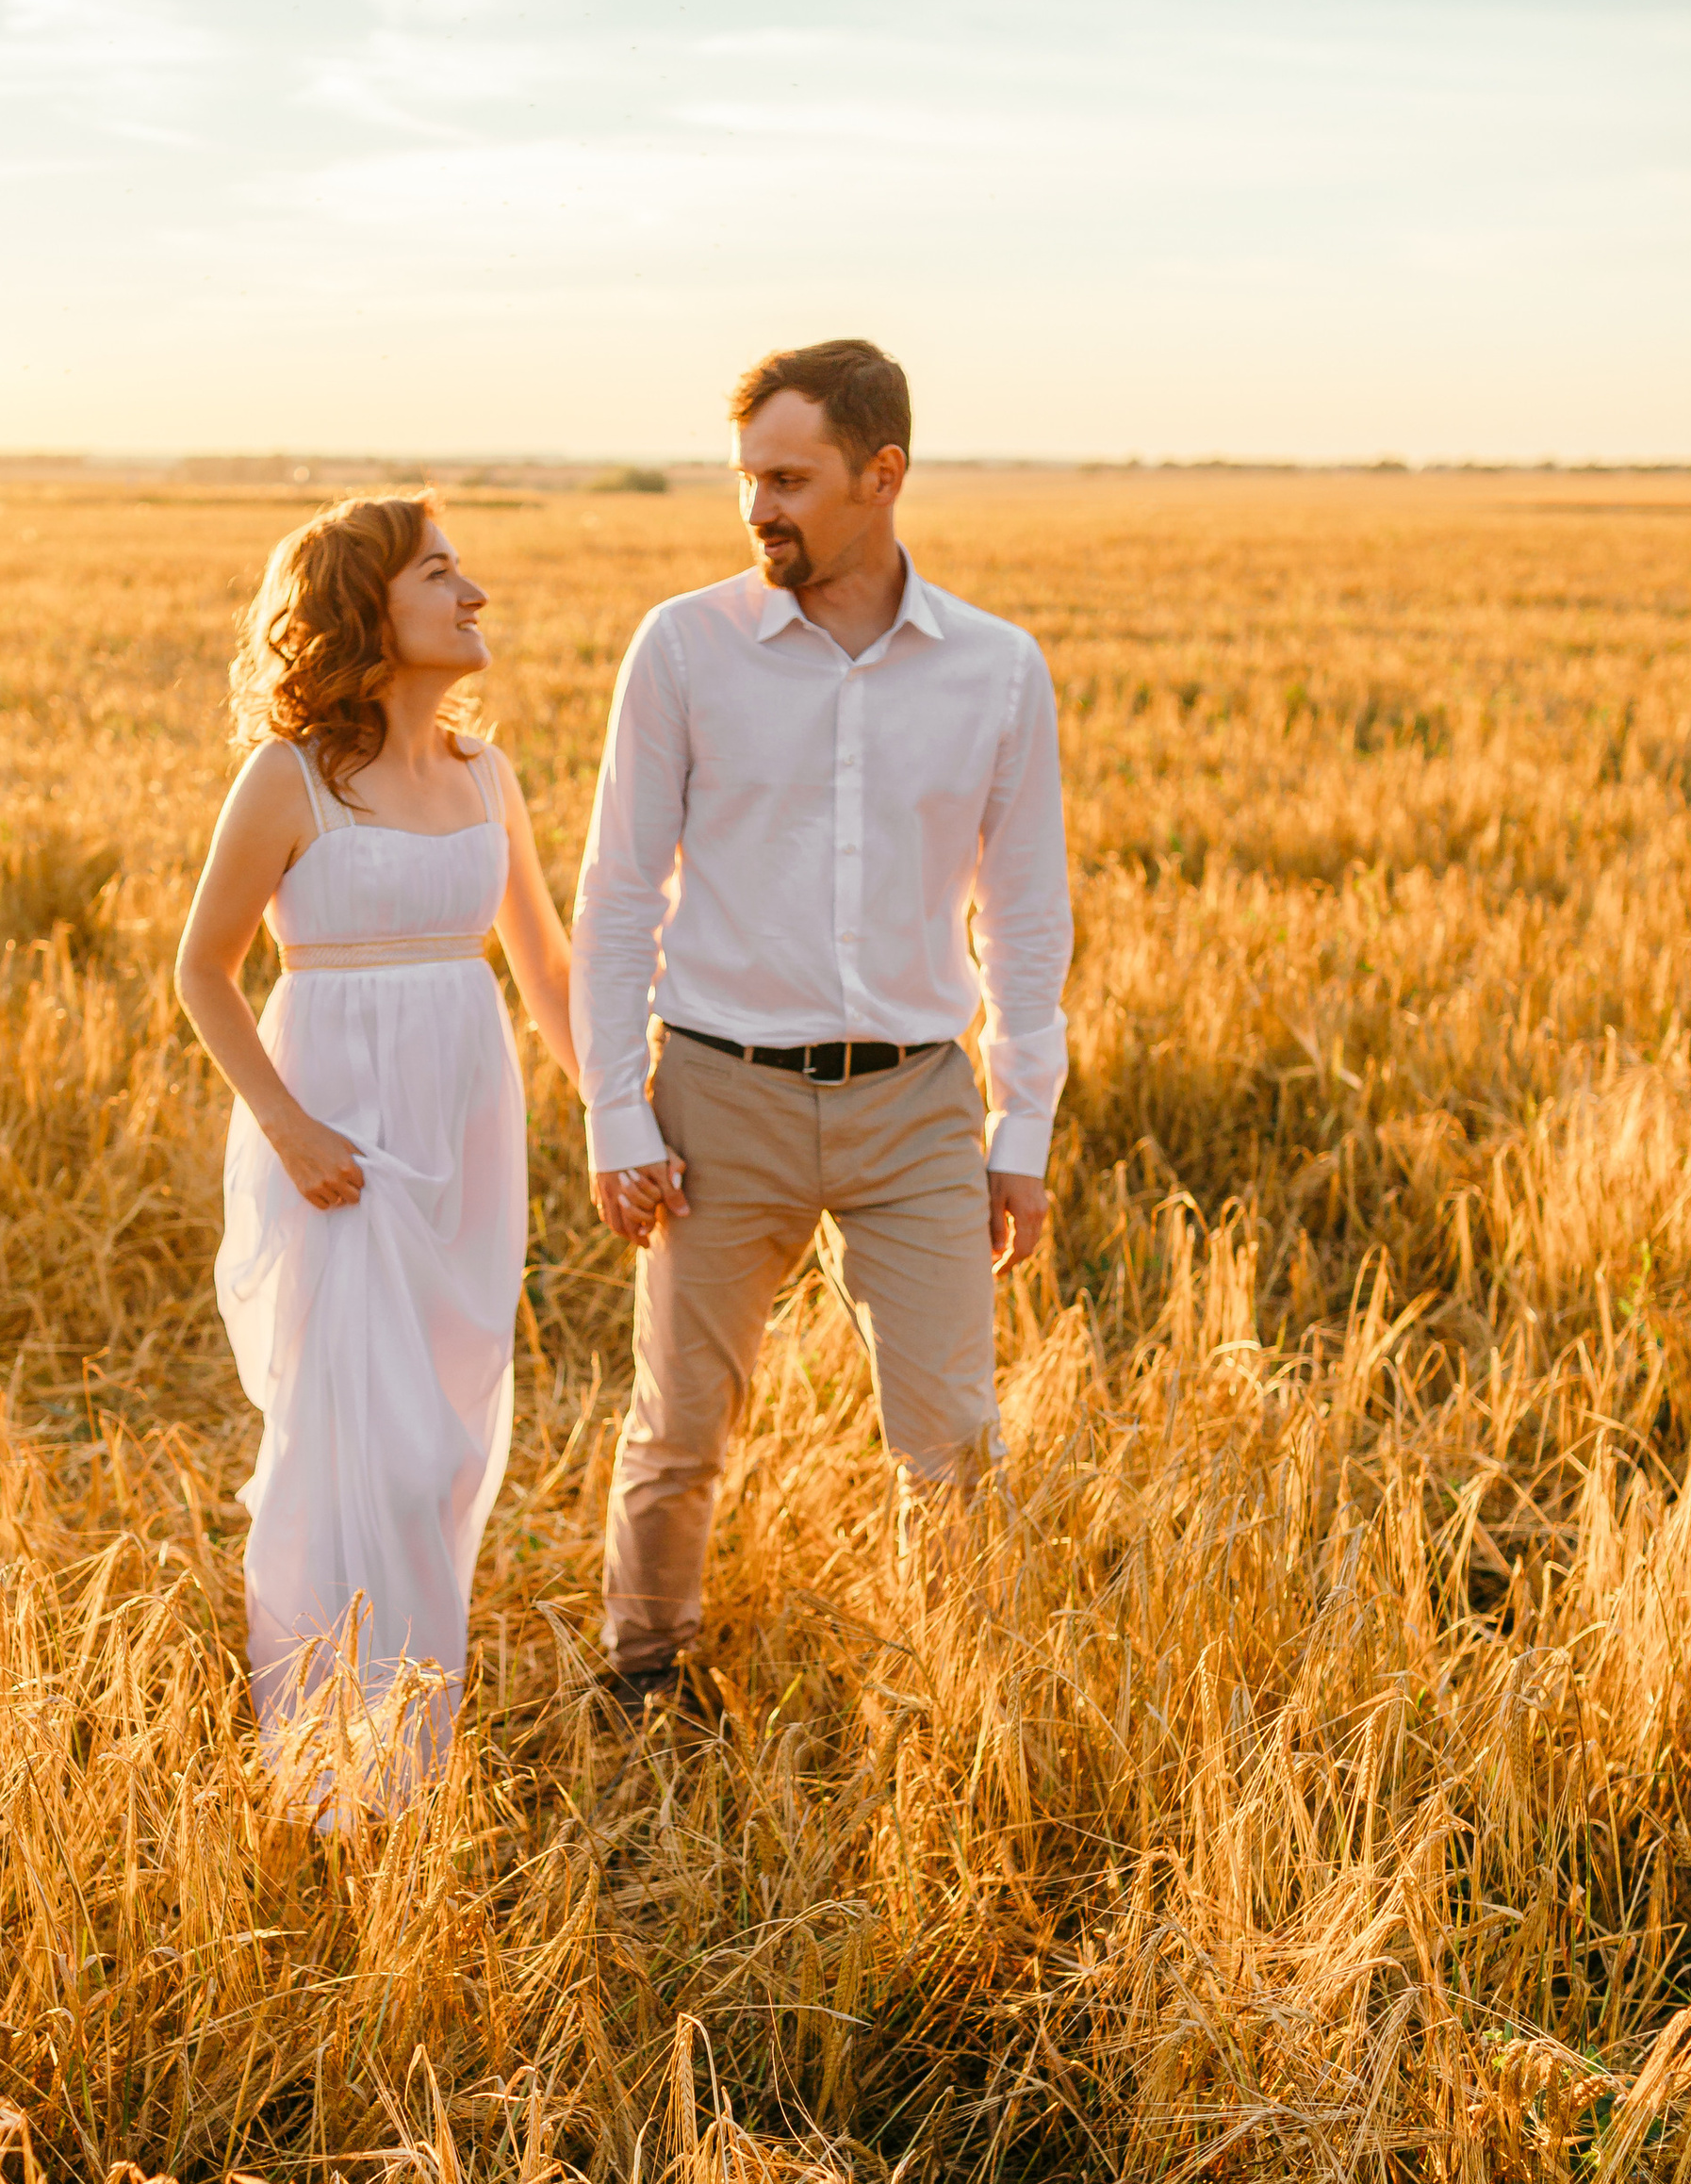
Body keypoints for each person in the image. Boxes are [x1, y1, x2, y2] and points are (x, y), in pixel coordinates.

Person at [570, 337, 1073, 1710]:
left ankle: (961, 1690)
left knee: (954, 1441)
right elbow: (617, 896)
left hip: (916, 1104)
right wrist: (617, 1109)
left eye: (788, 478)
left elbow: (1024, 922)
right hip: (716, 1095)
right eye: (746, 478)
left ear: (883, 474)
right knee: (679, 1428)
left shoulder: (997, 670)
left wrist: (1019, 1126)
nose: (758, 509)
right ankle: (642, 1677)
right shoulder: (684, 648)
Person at [176, 494, 578, 1815]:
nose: (475, 597)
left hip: (466, 1149)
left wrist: (631, 1124)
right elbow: (205, 971)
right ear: (370, 609)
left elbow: (550, 979)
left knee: (449, 1448)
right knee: (360, 1446)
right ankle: (338, 1778)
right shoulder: (290, 778)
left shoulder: (487, 778)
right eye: (442, 575)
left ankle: (414, 1744)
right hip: (335, 1153)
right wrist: (289, 1130)